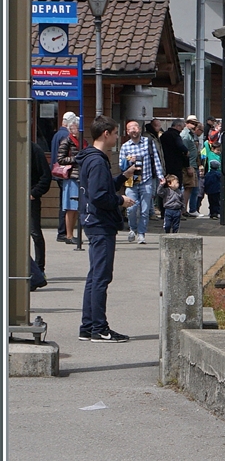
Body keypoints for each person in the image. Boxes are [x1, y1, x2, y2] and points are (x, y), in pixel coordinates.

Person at [78, 115, 136, 343]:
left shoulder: (90, 159)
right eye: (114, 133)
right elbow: (100, 195)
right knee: (101, 277)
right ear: (106, 134)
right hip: (100, 223)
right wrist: (120, 201)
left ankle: (88, 326)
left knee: (94, 276)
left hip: (92, 221)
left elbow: (100, 187)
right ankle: (99, 329)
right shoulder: (98, 160)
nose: (116, 137)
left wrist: (122, 176)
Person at [119, 119, 163, 244]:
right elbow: (121, 165)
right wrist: (128, 161)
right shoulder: (125, 146)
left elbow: (156, 160)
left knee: (145, 209)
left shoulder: (148, 142)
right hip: (131, 182)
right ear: (127, 132)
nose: (133, 130)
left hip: (146, 180)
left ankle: (142, 233)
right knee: (132, 208)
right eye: (130, 128)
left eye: (135, 127)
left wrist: (160, 176)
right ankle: (133, 229)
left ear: (139, 129)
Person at [55, 123, 82, 244]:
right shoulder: (67, 141)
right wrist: (76, 159)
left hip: (79, 177)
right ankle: (69, 235)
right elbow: (60, 159)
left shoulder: (82, 141)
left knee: (75, 208)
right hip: (71, 176)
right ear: (71, 130)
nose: (79, 130)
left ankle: (72, 234)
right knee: (70, 207)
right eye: (77, 128)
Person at [51, 112, 76, 241]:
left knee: (63, 203)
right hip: (65, 172)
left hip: (57, 172)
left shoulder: (56, 135)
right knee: (66, 205)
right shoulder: (66, 136)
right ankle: (63, 232)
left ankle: (63, 232)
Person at [30, 139, 51, 288]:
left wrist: (34, 193)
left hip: (30, 199)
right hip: (11, 199)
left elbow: (46, 176)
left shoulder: (34, 149)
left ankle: (39, 269)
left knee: (35, 232)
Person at [159, 118, 188, 201]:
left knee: (165, 186)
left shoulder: (164, 135)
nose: (182, 131)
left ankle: (163, 208)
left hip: (165, 164)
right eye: (182, 128)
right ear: (177, 126)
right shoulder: (175, 135)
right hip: (176, 165)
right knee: (176, 186)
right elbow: (181, 147)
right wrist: (186, 151)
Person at [181, 116, 203, 216]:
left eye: (195, 124)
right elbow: (184, 152)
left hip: (192, 164)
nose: (194, 126)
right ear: (187, 123)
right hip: (188, 165)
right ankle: (183, 210)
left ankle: (184, 209)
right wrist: (188, 166)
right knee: (187, 187)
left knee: (189, 188)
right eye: (192, 123)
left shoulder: (191, 135)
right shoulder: (185, 135)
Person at [201, 130, 223, 219]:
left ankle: (215, 212)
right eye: (217, 150)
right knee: (214, 199)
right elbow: (206, 144)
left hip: (217, 173)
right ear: (213, 149)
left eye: (219, 150)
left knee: (215, 199)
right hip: (213, 174)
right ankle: (213, 213)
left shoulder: (220, 156)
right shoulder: (210, 154)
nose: (219, 152)